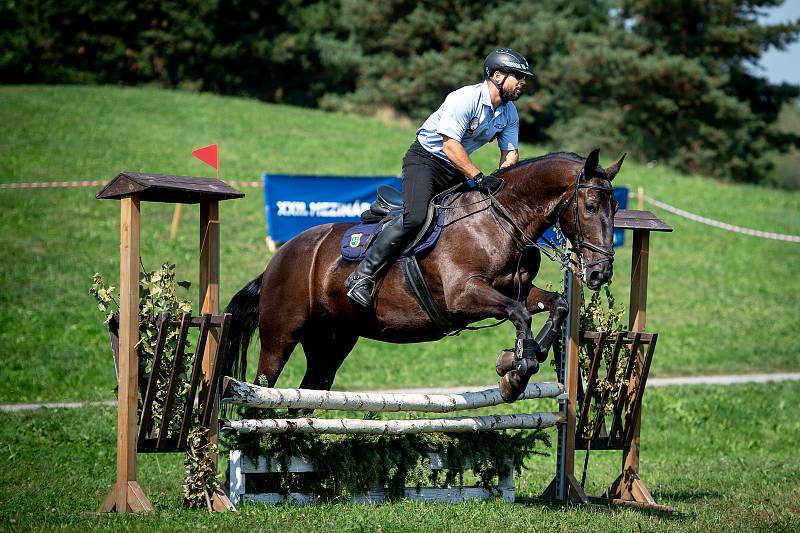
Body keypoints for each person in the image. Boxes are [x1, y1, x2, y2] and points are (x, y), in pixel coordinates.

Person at [345, 48, 533, 307]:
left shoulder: (509, 113)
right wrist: (479, 178)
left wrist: (502, 182)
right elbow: (450, 146)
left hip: (456, 168)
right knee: (416, 218)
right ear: (497, 76)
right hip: (426, 160)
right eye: (518, 76)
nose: (522, 82)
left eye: (524, 78)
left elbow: (510, 153)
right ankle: (362, 276)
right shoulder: (465, 98)